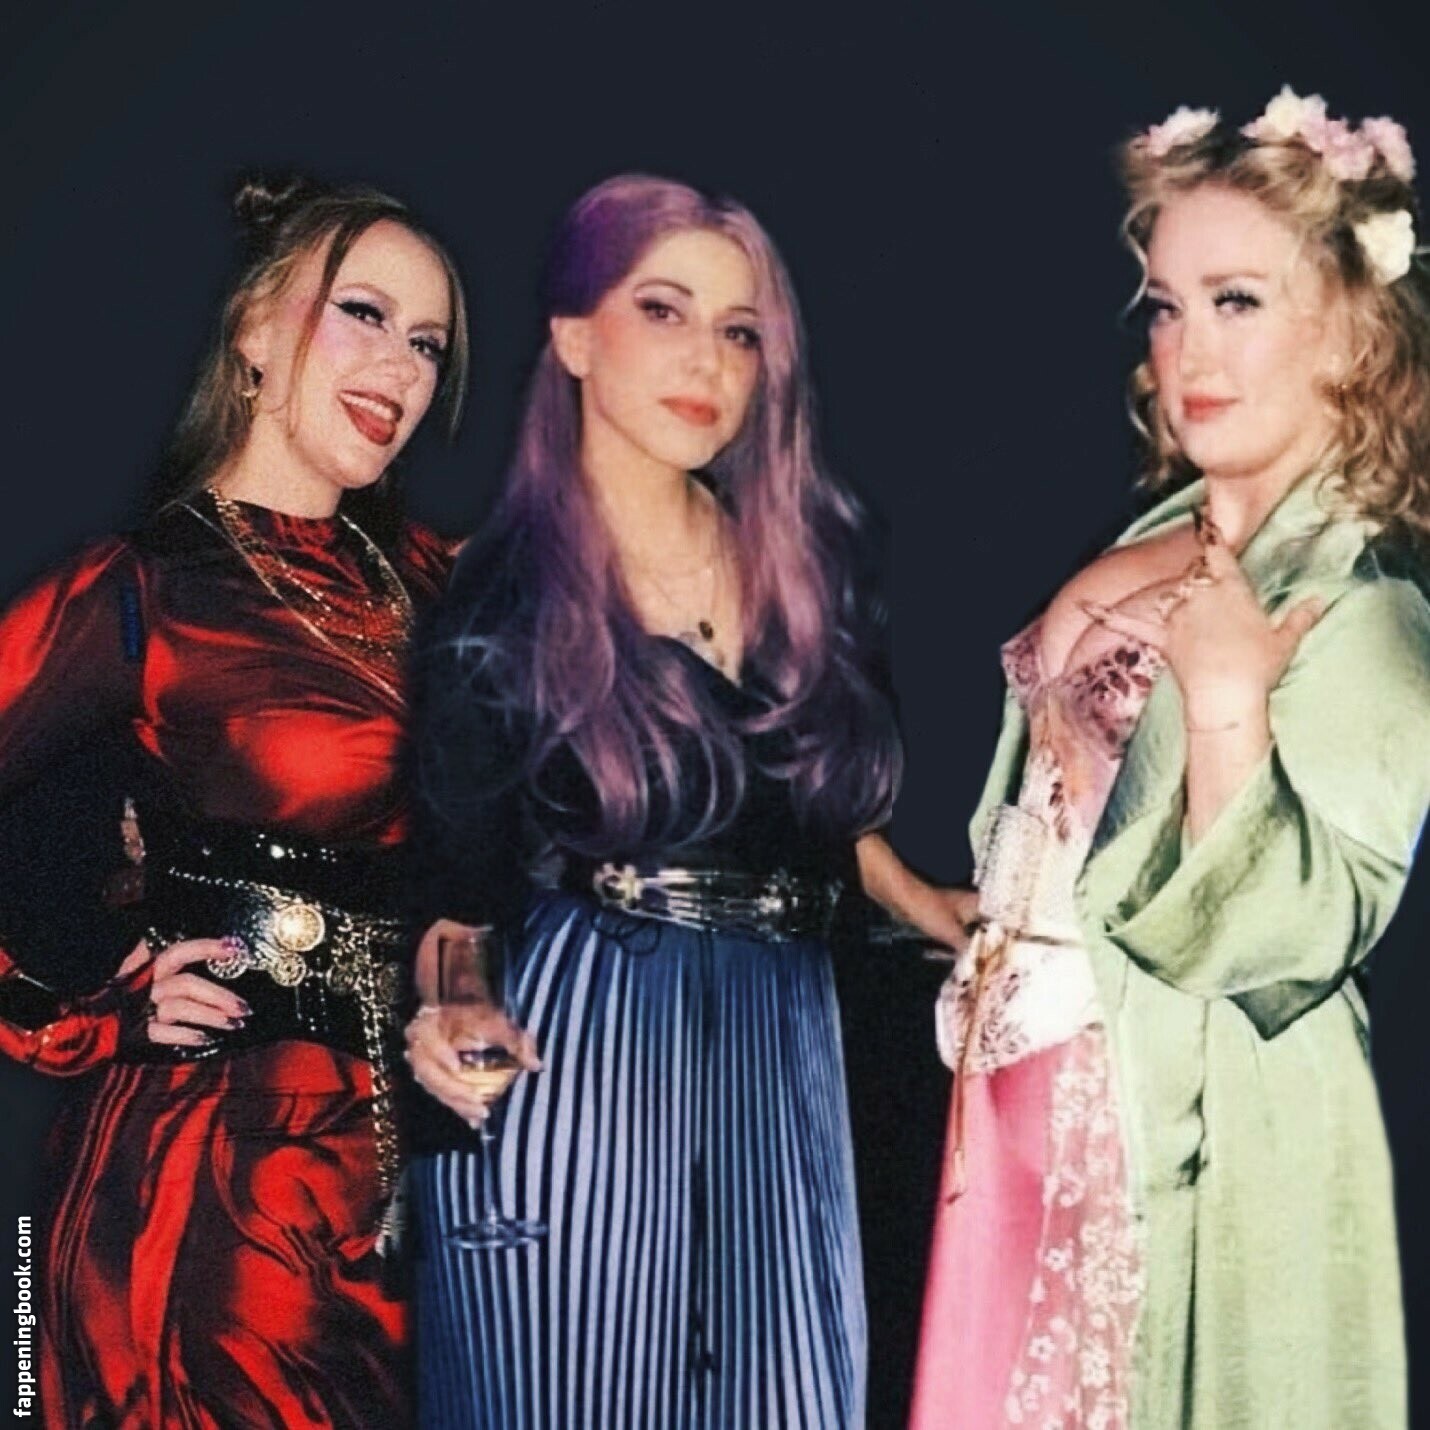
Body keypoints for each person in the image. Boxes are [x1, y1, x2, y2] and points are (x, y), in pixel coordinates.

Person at [402, 173, 963, 1429]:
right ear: (571, 335)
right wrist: (457, 1001)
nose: (707, 358)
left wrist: (917, 897)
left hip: (784, 1028)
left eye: (739, 329)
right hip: (589, 1036)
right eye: (661, 309)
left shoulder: (805, 564)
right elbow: (454, 890)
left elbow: (809, 803)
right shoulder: (499, 594)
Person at [909, 90, 1430, 1429]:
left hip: (1190, 1125)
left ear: (1350, 327)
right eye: (1163, 303)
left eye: (1235, 300)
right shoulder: (1165, 529)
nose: (1186, 346)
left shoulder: (1361, 609)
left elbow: (1301, 936)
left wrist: (1226, 705)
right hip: (1015, 1100)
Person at [0, 175, 467, 1427]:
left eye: (428, 343)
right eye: (363, 312)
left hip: (413, 1183)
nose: (402, 366)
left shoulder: (440, 582)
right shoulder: (146, 587)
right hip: (213, 1187)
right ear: (256, 329)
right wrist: (69, 1010)